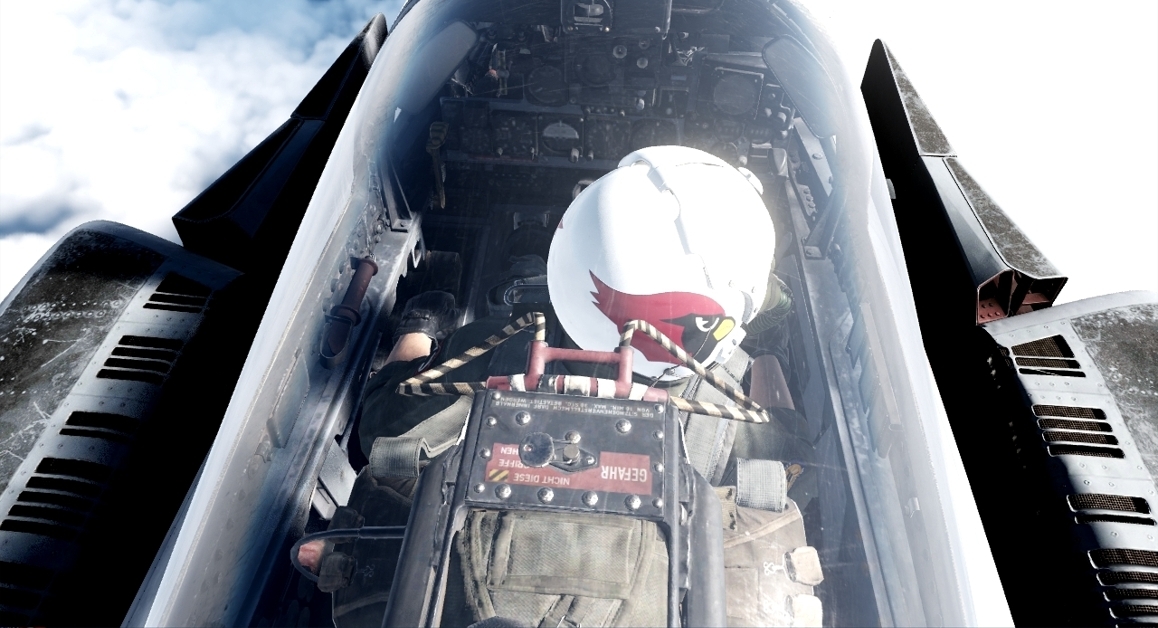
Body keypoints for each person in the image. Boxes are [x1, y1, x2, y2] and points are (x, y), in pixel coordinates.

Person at [300, 146, 818, 626]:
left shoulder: (494, 346)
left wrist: (418, 331)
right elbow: (794, 468)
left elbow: (381, 430)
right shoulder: (723, 415)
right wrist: (765, 358)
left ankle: (420, 322)